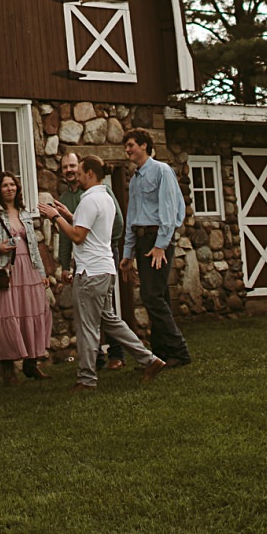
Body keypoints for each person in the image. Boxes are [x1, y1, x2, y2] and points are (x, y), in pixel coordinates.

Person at [42, 154, 167, 390]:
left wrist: (56, 217)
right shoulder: (105, 197)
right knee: (110, 321)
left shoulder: (89, 200)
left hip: (91, 273)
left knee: (87, 327)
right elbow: (88, 226)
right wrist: (68, 215)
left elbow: (78, 236)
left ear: (90, 174)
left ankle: (87, 379)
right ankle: (149, 360)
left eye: (79, 173)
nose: (76, 177)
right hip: (105, 270)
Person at [0, 170, 52, 382]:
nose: (9, 189)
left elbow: (33, 246)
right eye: (5, 185)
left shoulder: (24, 213)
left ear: (18, 188)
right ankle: (8, 369)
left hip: (28, 270)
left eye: (12, 185)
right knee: (7, 317)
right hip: (6, 272)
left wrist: (41, 273)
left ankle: (31, 364)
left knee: (32, 313)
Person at [120, 128, 191, 367]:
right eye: (126, 146)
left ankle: (179, 351)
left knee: (151, 296)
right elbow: (132, 217)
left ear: (144, 145)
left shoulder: (162, 171)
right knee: (158, 295)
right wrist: (128, 253)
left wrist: (161, 245)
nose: (127, 150)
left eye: (130, 145)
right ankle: (161, 352)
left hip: (156, 240)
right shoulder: (135, 178)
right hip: (142, 241)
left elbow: (170, 211)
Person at [58, 148, 125, 371]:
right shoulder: (66, 198)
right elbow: (68, 235)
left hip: (102, 255)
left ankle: (116, 353)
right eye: (65, 166)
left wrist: (105, 243)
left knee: (106, 310)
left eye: (73, 166)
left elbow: (116, 222)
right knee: (91, 313)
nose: (69, 170)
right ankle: (95, 359)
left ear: (83, 170)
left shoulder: (98, 192)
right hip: (82, 260)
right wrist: (64, 264)